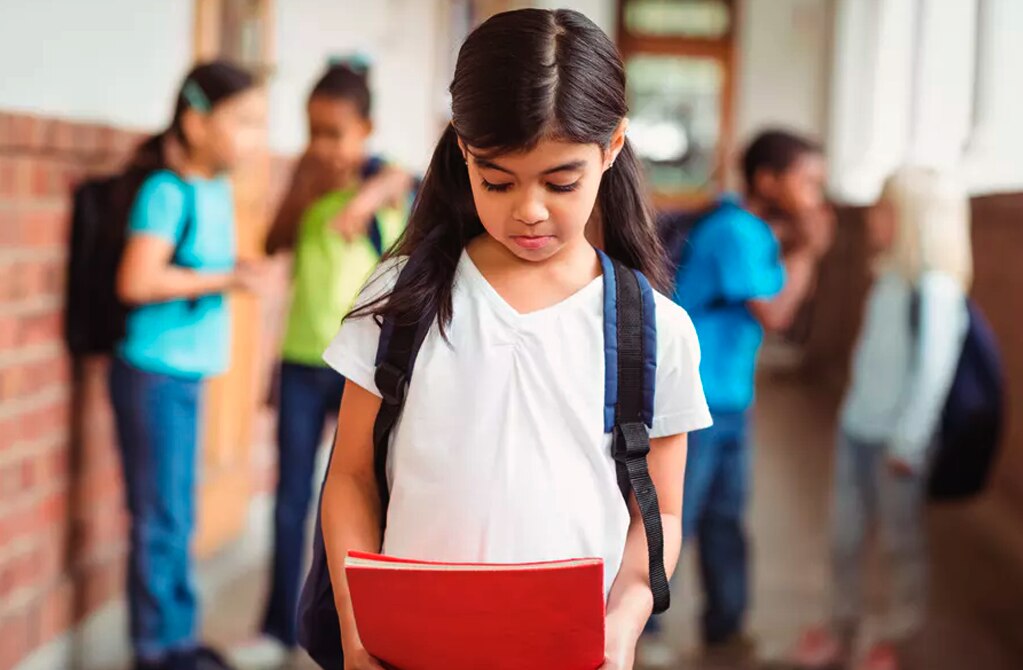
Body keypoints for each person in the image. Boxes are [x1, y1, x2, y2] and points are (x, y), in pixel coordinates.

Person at [317, 9, 712, 670]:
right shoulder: (404, 298)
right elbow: (351, 476)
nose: (527, 210)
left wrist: (624, 619)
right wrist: (359, 637)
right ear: (462, 150)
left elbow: (660, 515)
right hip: (412, 652)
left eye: (561, 182)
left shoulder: (653, 331)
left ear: (611, 148)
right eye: (495, 181)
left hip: (569, 654)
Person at [232, 60, 412, 667]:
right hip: (299, 364)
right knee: (289, 497)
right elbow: (275, 243)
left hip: (359, 372)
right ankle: (279, 627)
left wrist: (369, 192)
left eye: (336, 132)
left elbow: (403, 176)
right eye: (314, 131)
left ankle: (352, 625)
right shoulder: (309, 183)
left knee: (357, 497)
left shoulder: (387, 186)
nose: (324, 145)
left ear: (367, 129)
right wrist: (303, 185)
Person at [642, 130, 833, 667]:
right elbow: (777, 314)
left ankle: (725, 629)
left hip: (727, 401)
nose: (817, 194)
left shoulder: (749, 228)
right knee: (676, 518)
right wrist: (811, 251)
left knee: (724, 518)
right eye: (808, 181)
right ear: (768, 180)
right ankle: (646, 630)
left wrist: (799, 253)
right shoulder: (737, 231)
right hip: (692, 403)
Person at [110, 61, 268, 670]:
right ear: (197, 121)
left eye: (260, 124)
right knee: (162, 515)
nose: (254, 138)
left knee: (177, 510)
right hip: (154, 373)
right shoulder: (166, 190)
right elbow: (137, 279)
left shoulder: (214, 189)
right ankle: (158, 649)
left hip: (185, 373)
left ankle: (178, 636)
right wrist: (229, 277)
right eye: (243, 122)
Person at [790, 167, 972, 670]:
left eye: (886, 210)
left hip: (897, 443)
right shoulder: (889, 277)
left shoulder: (935, 290)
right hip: (858, 430)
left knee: (899, 546)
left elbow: (933, 373)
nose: (874, 218)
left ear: (915, 221)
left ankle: (895, 635)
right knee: (844, 539)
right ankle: (839, 625)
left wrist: (908, 443)